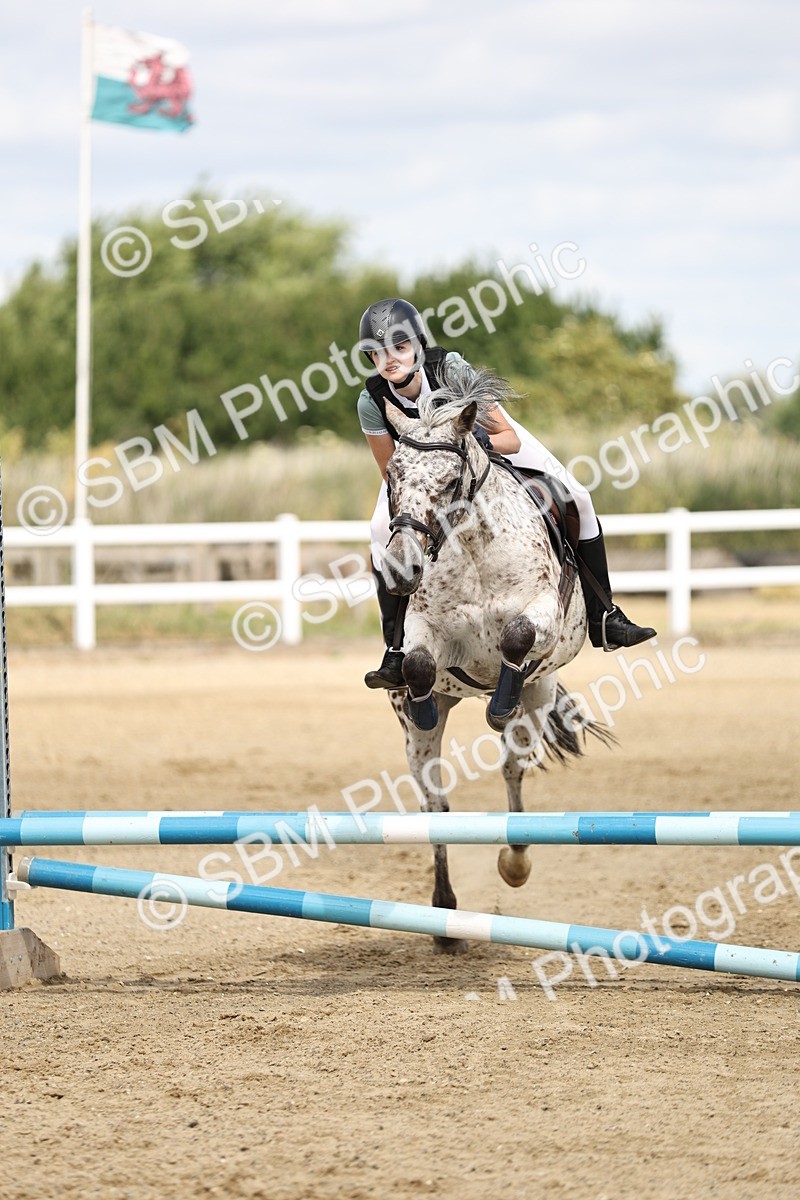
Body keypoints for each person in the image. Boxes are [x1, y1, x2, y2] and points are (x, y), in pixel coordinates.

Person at [357, 297, 656, 689]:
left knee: (578, 495)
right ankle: (396, 648)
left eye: (399, 347)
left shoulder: (449, 370)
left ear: (417, 345)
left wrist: (473, 448)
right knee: (380, 528)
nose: (389, 359)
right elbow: (391, 472)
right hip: (424, 477)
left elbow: (509, 439)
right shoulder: (371, 401)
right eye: (378, 353)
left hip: (488, 448)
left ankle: (605, 616)